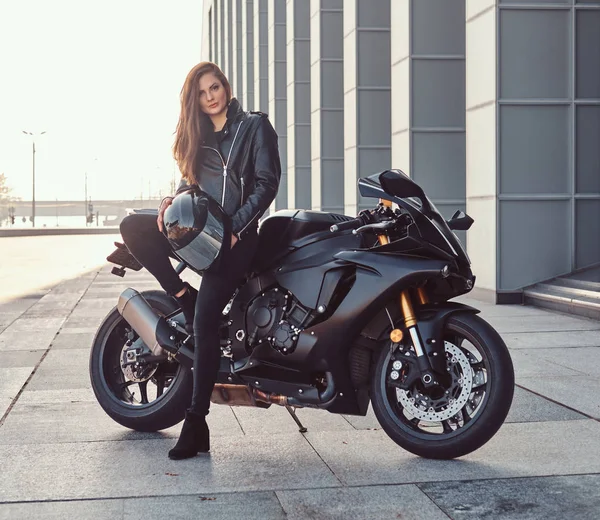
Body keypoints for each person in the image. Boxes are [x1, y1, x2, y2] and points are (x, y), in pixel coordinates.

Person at [119, 61, 281, 459]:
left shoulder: (255, 127)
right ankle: (180, 293)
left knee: (206, 320)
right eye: (202, 93)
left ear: (226, 86)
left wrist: (236, 227)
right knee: (133, 226)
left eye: (215, 88)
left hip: (236, 239)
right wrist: (170, 200)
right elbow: (190, 182)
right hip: (198, 230)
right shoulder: (198, 135)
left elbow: (266, 183)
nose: (211, 97)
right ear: (194, 100)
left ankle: (195, 424)